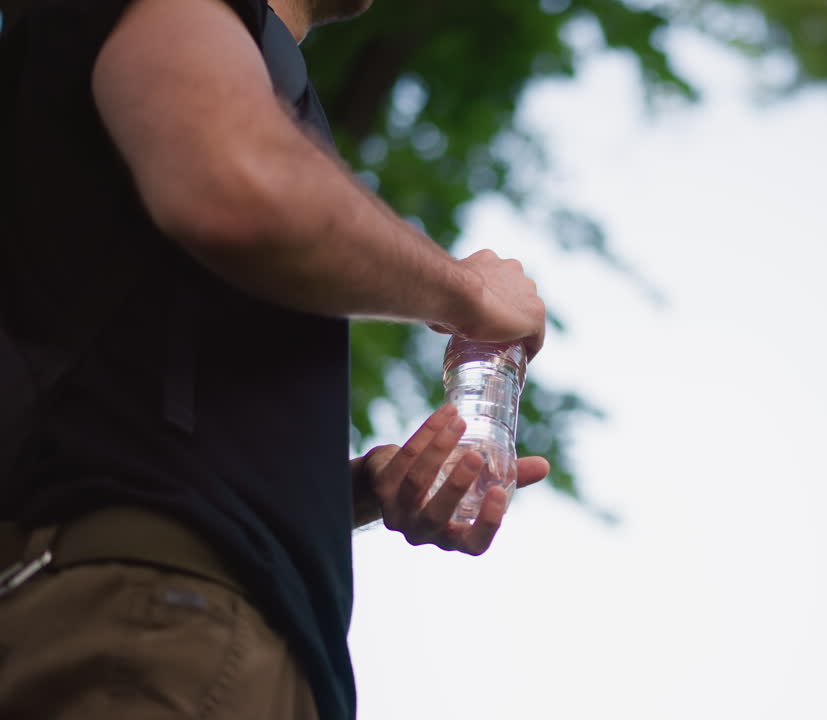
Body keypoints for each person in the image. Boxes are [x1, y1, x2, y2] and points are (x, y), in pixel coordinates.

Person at [0, 0, 550, 717]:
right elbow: (236, 187)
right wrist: (472, 295)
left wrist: (350, 494)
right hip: (150, 632)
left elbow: (97, 411)